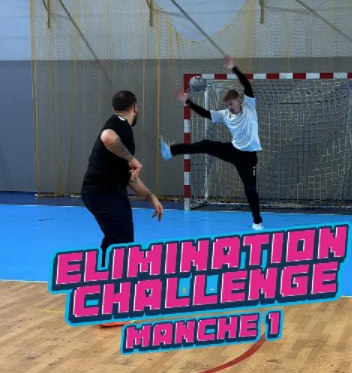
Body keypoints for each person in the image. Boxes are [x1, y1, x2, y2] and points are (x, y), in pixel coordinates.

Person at [160, 56, 263, 230]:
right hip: (233, 149)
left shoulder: (250, 107)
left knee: (250, 189)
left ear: (239, 101)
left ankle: (257, 221)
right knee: (206, 144)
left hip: (248, 157)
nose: (229, 107)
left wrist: (234, 68)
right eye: (227, 105)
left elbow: (246, 85)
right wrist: (188, 102)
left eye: (231, 104)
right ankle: (170, 151)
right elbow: (205, 113)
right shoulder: (225, 114)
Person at [81, 90, 163, 267]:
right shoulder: (120, 123)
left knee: (119, 238)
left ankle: (105, 272)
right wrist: (132, 159)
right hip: (101, 193)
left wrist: (150, 196)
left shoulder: (122, 130)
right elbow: (107, 137)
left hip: (110, 191)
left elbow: (129, 177)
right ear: (135, 108)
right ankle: (108, 275)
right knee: (120, 240)